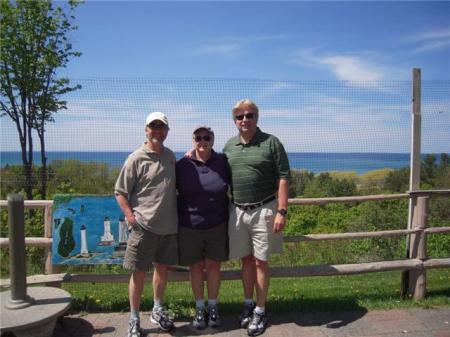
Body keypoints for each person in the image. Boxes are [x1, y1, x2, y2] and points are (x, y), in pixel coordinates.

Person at [223, 99, 290, 336]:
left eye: (249, 115)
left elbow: (283, 177)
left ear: (257, 117)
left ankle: (261, 310)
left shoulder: (272, 143)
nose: (245, 120)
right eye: (240, 117)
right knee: (246, 260)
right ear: (234, 120)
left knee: (261, 261)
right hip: (238, 211)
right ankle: (248, 303)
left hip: (265, 210)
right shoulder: (229, 146)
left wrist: (282, 210)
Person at [115, 112, 178, 337]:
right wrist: (131, 218)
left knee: (162, 270)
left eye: (162, 127)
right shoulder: (136, 158)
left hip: (169, 227)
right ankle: (134, 319)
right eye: (154, 126)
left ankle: (157, 311)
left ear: (167, 131)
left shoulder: (170, 156)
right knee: (138, 273)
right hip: (144, 228)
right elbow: (120, 192)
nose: (158, 131)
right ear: (146, 129)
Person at [176, 126, 230, 329]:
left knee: (214, 266)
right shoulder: (182, 164)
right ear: (193, 141)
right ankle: (200, 308)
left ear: (213, 140)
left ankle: (213, 306)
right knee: (196, 267)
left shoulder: (224, 162)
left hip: (217, 224)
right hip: (189, 226)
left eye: (206, 137)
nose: (202, 141)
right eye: (198, 138)